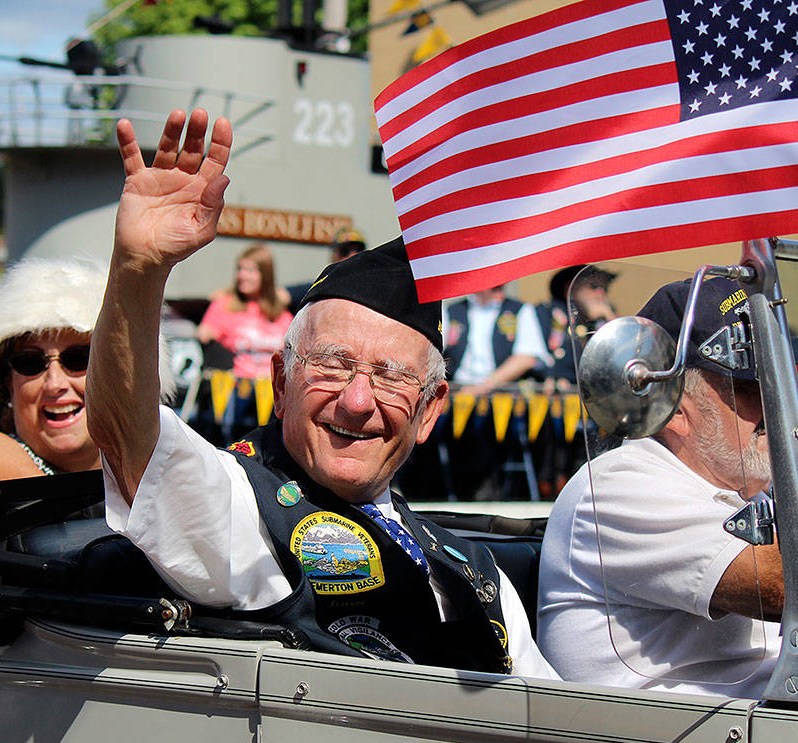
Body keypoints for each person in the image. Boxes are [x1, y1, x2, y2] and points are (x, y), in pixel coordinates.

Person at [86, 109, 555, 678]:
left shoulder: (477, 573)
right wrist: (138, 271)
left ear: (431, 410)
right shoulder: (239, 509)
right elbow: (128, 434)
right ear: (281, 382)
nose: (357, 402)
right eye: (332, 367)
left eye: (391, 376)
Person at [537, 277, 798, 697]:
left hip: (777, 727)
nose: (779, 403)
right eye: (753, 386)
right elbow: (797, 589)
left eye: (783, 382)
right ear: (674, 407)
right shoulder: (619, 485)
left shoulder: (751, 489)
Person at [0, 258, 172, 480]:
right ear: (8, 386)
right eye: (30, 363)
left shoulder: (168, 469)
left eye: (79, 359)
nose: (55, 383)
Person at [197, 243, 292, 379]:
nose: (242, 275)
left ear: (265, 275)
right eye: (240, 269)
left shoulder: (280, 312)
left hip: (270, 389)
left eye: (250, 270)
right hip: (235, 388)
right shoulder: (224, 305)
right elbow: (205, 336)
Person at [442, 283, 548, 396]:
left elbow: (526, 358)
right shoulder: (451, 310)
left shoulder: (521, 310)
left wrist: (482, 388)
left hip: (503, 396)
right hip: (456, 393)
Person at [537, 264, 618, 386]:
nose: (601, 293)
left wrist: (610, 321)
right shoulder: (548, 313)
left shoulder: (604, 320)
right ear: (570, 288)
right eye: (593, 286)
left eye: (605, 289)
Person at [287, 228, 367, 313]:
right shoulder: (316, 291)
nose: (353, 256)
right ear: (333, 256)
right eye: (345, 251)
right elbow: (280, 298)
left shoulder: (372, 293)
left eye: (359, 251)